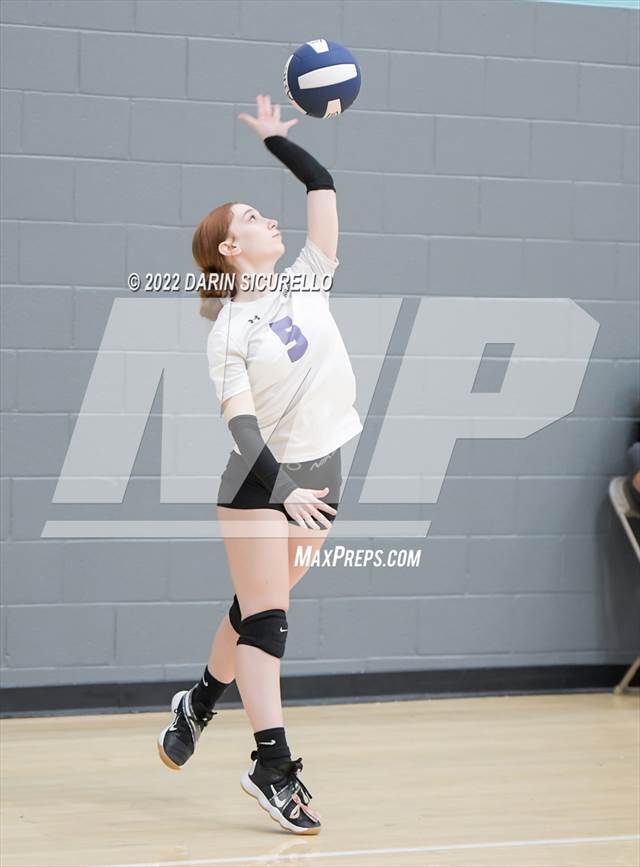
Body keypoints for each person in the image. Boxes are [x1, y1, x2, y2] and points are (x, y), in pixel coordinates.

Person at [157, 95, 363, 836]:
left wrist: (279, 141)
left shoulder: (309, 275)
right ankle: (271, 765)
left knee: (250, 611)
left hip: (324, 472)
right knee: (270, 621)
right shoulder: (228, 332)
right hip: (261, 484)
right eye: (249, 217)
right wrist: (285, 492)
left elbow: (322, 189)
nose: (266, 219)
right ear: (228, 249)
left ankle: (200, 702)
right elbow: (243, 430)